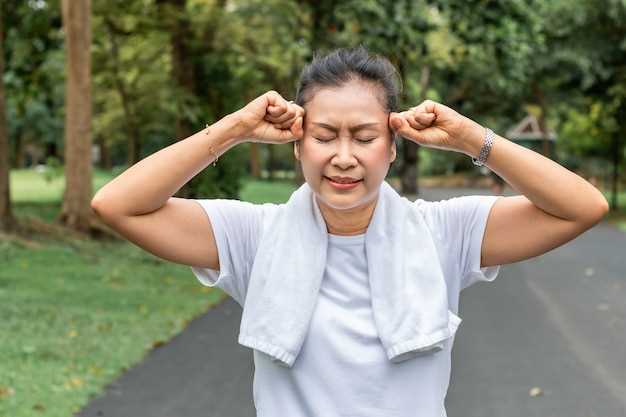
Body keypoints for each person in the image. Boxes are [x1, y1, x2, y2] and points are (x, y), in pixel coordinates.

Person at [90, 46, 609, 417]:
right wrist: (235, 129)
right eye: (323, 136)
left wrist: (472, 138)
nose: (343, 157)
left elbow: (582, 207)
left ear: (392, 146)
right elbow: (118, 205)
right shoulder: (253, 236)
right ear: (297, 144)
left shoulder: (444, 232)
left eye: (364, 137)